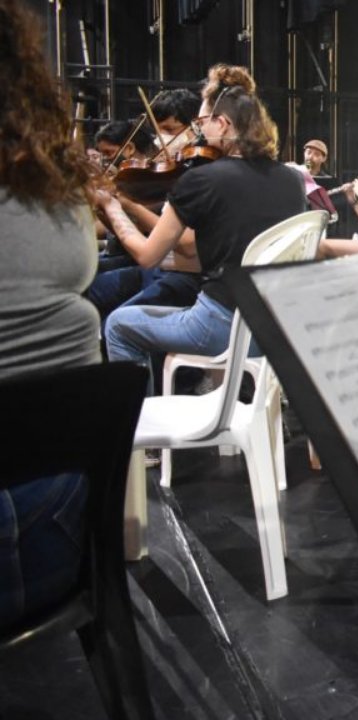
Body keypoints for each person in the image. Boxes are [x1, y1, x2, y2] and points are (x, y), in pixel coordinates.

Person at [0, 0, 103, 630]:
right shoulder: (51, 185)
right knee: (109, 305)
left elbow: (156, 253)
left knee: (123, 314)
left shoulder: (204, 183)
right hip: (67, 511)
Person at [97, 85, 306, 387]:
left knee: (118, 324)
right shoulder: (293, 180)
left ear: (222, 124)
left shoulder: (202, 179)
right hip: (275, 328)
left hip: (220, 324)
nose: (197, 132)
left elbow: (147, 256)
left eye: (201, 123)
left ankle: (136, 425)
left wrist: (113, 207)